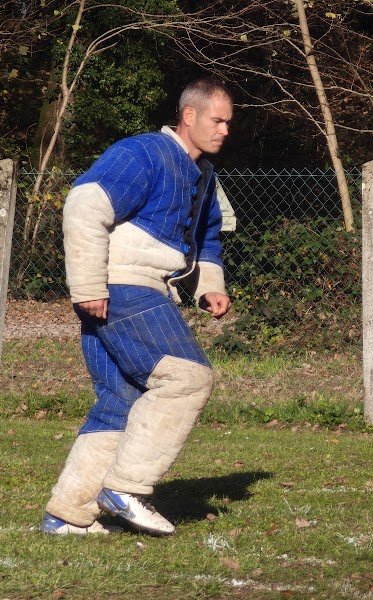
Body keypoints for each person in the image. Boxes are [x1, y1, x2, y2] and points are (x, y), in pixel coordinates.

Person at [40, 78, 234, 536]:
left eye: (229, 122)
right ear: (189, 116)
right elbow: (85, 204)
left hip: (133, 288)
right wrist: (87, 284)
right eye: (217, 120)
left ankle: (68, 514)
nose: (225, 130)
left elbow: (207, 235)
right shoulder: (144, 152)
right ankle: (127, 488)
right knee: (187, 378)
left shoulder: (204, 174)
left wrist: (210, 284)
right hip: (122, 285)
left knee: (119, 402)